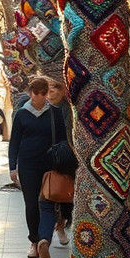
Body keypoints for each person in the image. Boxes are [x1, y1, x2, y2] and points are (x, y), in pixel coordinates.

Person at [9, 75, 66, 258]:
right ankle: (34, 241)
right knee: (32, 204)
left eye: (44, 93)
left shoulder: (55, 113)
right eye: (37, 93)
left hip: (50, 164)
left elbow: (62, 140)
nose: (41, 97)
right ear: (30, 93)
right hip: (27, 165)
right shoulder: (22, 114)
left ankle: (44, 241)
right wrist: (12, 167)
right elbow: (14, 142)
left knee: (48, 203)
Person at [47, 78, 74, 246]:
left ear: (62, 90)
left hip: (67, 156)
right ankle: (55, 228)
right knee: (50, 193)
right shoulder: (43, 108)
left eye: (54, 89)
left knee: (65, 193)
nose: (51, 93)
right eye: (48, 90)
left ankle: (62, 224)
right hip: (48, 154)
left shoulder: (69, 108)